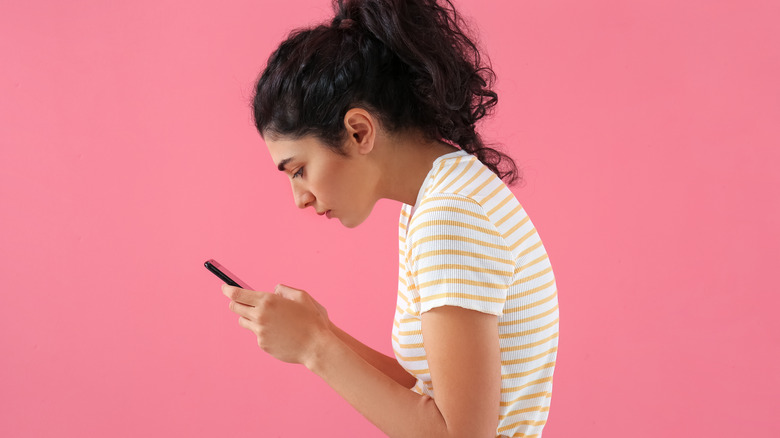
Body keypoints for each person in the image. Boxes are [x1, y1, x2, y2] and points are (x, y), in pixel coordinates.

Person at [221, 0, 560, 436]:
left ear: (359, 131)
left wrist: (313, 347)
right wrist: (322, 331)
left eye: (299, 169)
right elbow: (430, 393)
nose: (300, 199)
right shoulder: (441, 193)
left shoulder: (449, 217)